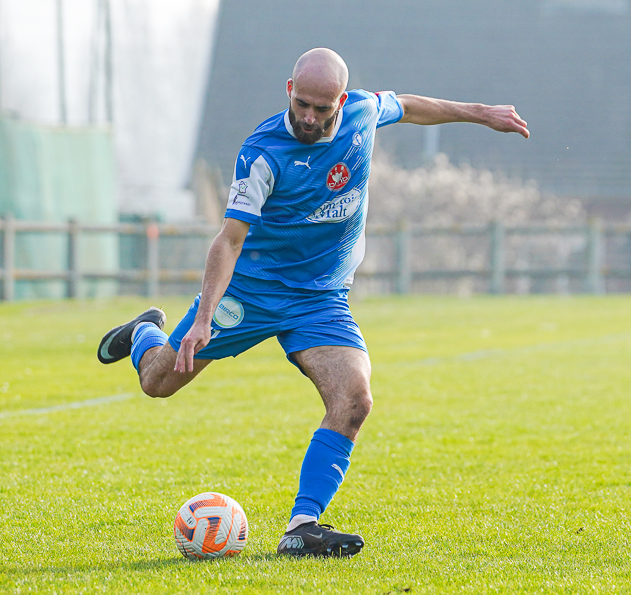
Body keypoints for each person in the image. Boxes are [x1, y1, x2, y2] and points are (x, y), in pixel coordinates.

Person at [97, 47, 529, 558]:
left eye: (321, 109)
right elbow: (229, 240)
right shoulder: (263, 151)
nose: (308, 117)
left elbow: (411, 105)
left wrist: (483, 114)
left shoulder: (364, 114)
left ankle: (302, 527)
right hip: (251, 291)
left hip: (321, 298)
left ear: (341, 102)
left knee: (355, 399)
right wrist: (204, 319)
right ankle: (146, 331)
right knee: (158, 382)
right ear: (289, 90)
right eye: (301, 103)